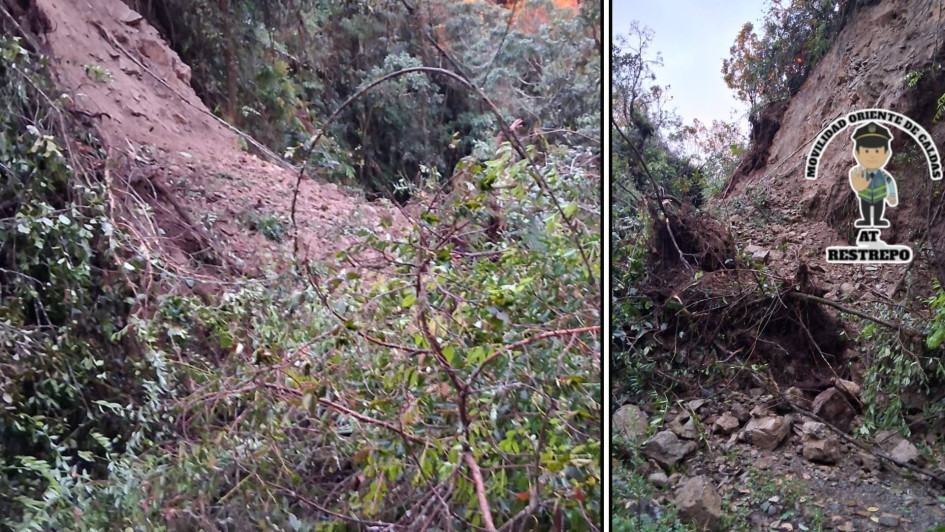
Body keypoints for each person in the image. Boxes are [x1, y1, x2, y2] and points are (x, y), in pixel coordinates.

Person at [848, 122, 898, 228]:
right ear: (857, 154)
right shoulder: (859, 172)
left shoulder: (883, 174)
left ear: (886, 154)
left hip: (879, 195)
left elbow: (890, 182)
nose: (871, 155)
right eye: (866, 151)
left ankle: (877, 220)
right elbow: (854, 180)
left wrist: (892, 195)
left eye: (877, 151)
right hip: (865, 195)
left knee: (878, 207)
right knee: (865, 207)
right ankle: (866, 220)